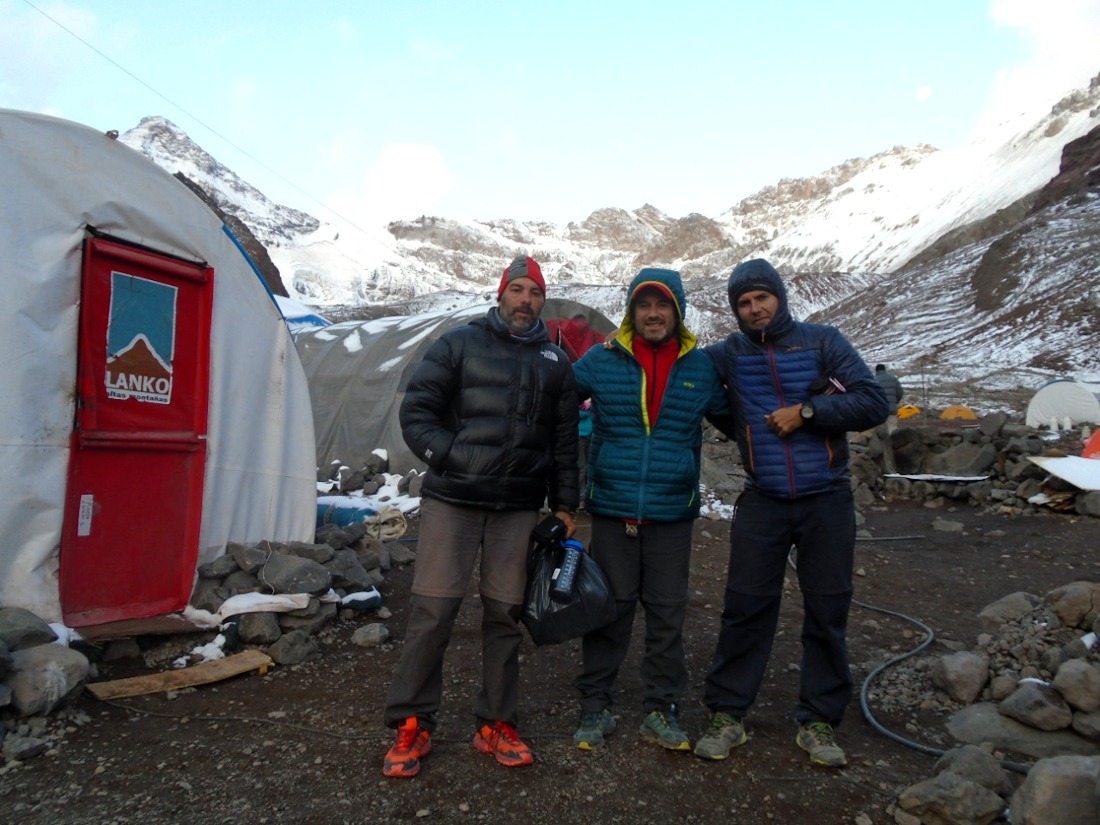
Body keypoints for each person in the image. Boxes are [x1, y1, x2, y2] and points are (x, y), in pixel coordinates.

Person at [381, 255, 580, 777]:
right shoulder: (458, 345)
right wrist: (451, 455)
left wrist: (564, 505)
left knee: (504, 615)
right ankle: (412, 722)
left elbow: (564, 443)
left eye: (535, 293)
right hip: (454, 502)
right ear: (500, 294)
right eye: (517, 290)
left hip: (516, 508)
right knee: (433, 612)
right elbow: (416, 412)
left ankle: (496, 721)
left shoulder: (555, 363)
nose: (525, 301)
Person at [695, 258, 887, 767]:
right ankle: (727, 713)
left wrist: (808, 412)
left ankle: (819, 720)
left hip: (827, 498)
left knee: (827, 610)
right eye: (744, 302)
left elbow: (874, 400)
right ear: (736, 311)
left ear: (779, 297)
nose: (755, 308)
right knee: (745, 608)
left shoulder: (823, 341)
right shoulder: (728, 354)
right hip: (764, 499)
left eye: (762, 297)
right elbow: (689, 374)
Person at [569, 268, 731, 752]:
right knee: (607, 611)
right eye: (644, 305)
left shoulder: (701, 368)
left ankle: (661, 709)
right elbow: (552, 403)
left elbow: (739, 420)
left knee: (667, 614)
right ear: (631, 311)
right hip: (614, 507)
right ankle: (595, 706)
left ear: (677, 312)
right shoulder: (601, 360)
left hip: (670, 511)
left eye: (662, 305)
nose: (653, 314)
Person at [874, 364, 904, 434]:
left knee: (879, 433)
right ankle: (894, 443)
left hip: (879, 410)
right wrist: (895, 402)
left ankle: (881, 445)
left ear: (876, 371)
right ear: (884, 370)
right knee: (892, 429)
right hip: (891, 410)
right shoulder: (893, 379)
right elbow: (900, 392)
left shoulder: (873, 380)